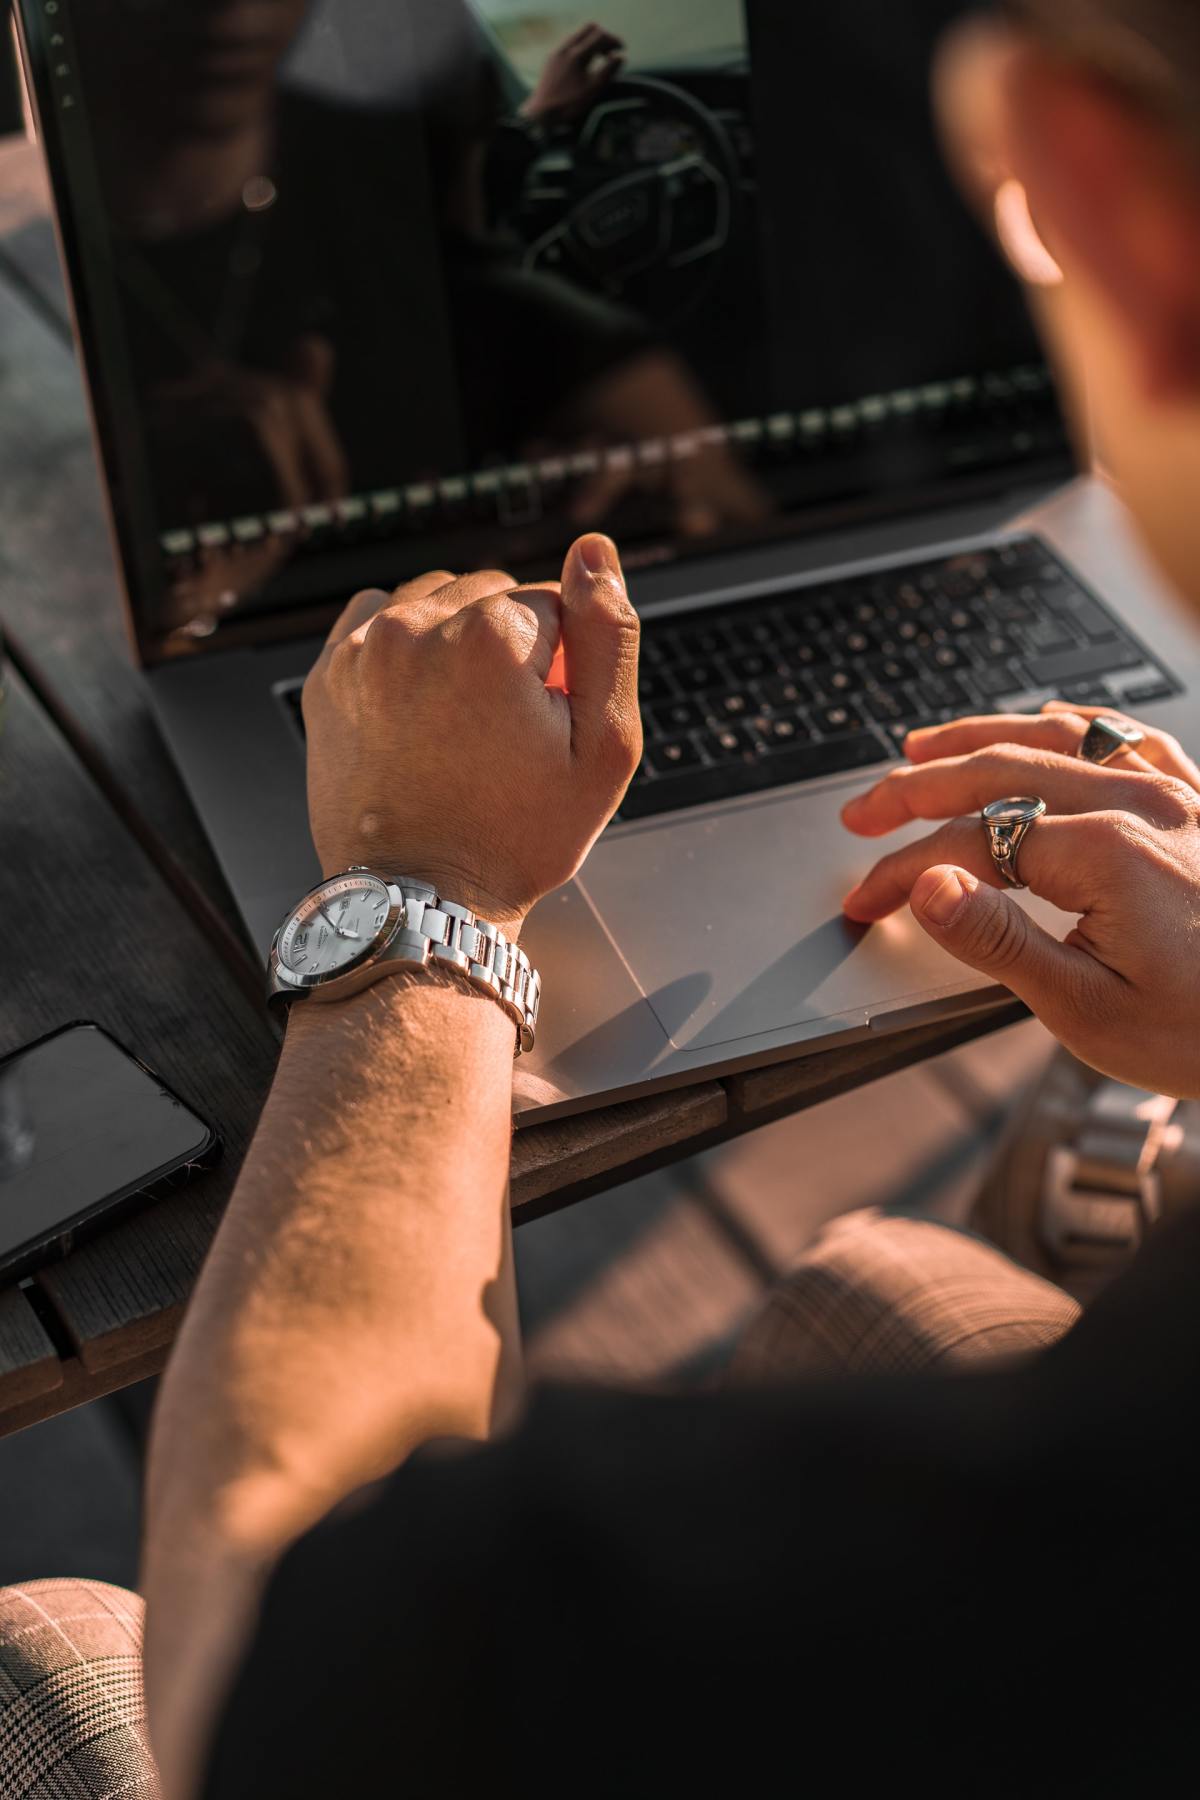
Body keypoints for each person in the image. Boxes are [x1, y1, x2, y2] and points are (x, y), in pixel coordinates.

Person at [4, 0, 1200, 1794]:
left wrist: (420, 897)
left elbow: (268, 1656)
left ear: (1093, 192)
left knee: (42, 1647)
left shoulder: (638, 1615)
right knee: (869, 1270)